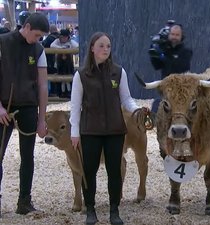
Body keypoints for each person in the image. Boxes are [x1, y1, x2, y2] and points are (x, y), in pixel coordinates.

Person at [70, 32, 143, 225]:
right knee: (89, 170)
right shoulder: (81, 75)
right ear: (92, 48)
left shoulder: (119, 72)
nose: (105, 50)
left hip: (115, 130)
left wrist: (136, 110)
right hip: (90, 131)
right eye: (101, 46)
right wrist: (74, 132)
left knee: (114, 171)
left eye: (108, 46)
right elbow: (75, 106)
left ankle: (114, 210)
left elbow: (126, 99)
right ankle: (91, 210)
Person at [0, 13, 49, 216]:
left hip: (28, 108)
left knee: (27, 157)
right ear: (27, 27)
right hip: (4, 106)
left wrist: (42, 119)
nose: (38, 39)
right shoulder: (2, 43)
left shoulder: (38, 49)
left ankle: (24, 201)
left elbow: (43, 85)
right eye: (36, 35)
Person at [149, 23, 193, 113]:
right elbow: (157, 66)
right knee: (156, 106)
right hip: (166, 91)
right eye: (172, 34)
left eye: (177, 35)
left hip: (181, 91)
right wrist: (154, 52)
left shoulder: (186, 52)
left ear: (182, 37)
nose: (174, 37)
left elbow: (180, 66)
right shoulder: (165, 50)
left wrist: (162, 55)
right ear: (169, 35)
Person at [50, 29, 78, 98]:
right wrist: (62, 48)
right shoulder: (57, 41)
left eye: (65, 37)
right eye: (62, 37)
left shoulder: (71, 41)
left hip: (68, 64)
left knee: (68, 79)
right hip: (60, 64)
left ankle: (69, 92)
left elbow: (77, 46)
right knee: (61, 79)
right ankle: (61, 93)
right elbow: (52, 45)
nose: (64, 39)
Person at [42, 24, 60, 97]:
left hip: (50, 61)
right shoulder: (60, 37)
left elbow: (43, 45)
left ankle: (53, 92)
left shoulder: (49, 39)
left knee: (51, 77)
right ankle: (60, 93)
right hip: (60, 61)